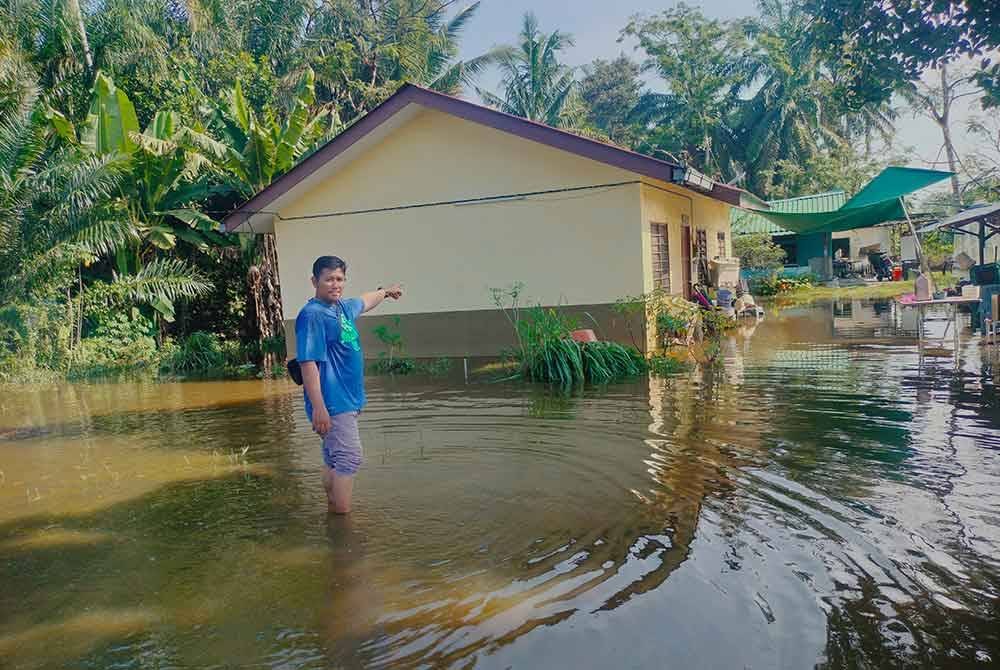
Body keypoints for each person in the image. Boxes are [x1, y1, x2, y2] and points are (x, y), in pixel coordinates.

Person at [295, 255, 402, 513]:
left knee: (333, 458)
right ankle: (342, 526)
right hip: (333, 402)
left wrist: (386, 292)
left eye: (339, 279)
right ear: (314, 281)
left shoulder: (341, 308)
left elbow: (365, 301)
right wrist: (319, 407)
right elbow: (308, 364)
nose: (335, 284)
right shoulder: (313, 315)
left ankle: (333, 510)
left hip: (347, 399)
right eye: (328, 279)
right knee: (349, 458)